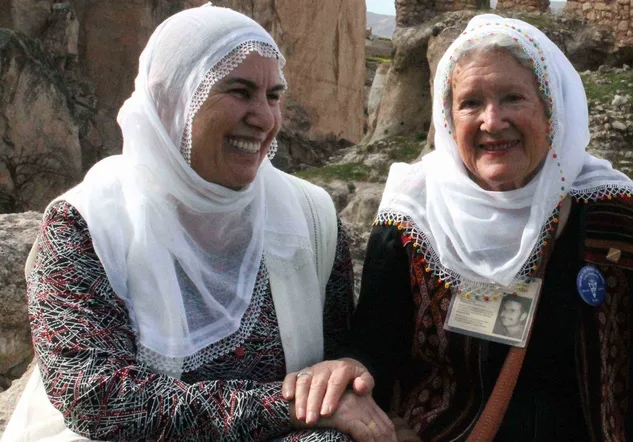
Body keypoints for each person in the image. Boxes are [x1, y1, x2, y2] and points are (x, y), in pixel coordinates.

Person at [285, 14, 633, 441]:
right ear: (448, 119)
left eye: (513, 97)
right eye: (471, 103)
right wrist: (348, 372)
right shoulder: (413, 218)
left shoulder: (612, 209)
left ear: (551, 110)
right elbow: (377, 344)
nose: (493, 121)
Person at [1, 5, 395, 442]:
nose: (264, 118)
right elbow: (95, 396)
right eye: (240, 91)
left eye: (273, 96)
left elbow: (338, 353)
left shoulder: (310, 218)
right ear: (173, 98)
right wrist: (286, 406)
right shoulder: (86, 225)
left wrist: (341, 375)